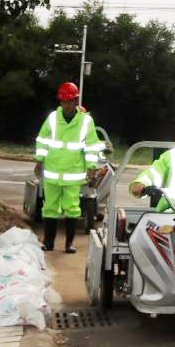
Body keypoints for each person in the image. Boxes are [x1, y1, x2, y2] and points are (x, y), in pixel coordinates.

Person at [34, 82, 103, 253]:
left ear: (75, 101)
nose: (67, 105)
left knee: (72, 208)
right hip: (52, 172)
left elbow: (92, 145)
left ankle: (69, 244)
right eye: (64, 101)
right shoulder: (52, 118)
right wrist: (39, 160)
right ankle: (48, 243)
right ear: (60, 101)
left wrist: (91, 166)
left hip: (73, 173)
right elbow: (42, 139)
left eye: (70, 101)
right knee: (50, 207)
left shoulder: (86, 121)